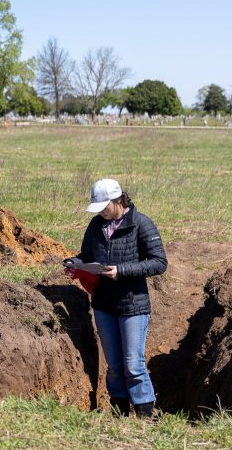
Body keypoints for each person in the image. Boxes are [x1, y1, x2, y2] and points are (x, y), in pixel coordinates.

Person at [63, 179, 167, 418]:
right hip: (103, 305)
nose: (101, 211)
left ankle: (145, 416)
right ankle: (119, 414)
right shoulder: (96, 225)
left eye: (104, 206)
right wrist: (75, 263)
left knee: (133, 365)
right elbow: (86, 255)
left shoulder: (141, 224)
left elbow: (160, 262)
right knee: (115, 367)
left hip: (133, 305)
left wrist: (121, 271)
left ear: (118, 200)